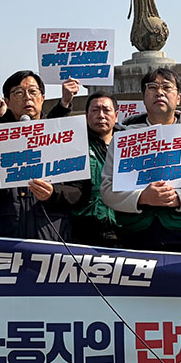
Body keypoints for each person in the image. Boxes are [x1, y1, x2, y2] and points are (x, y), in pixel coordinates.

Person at [100, 67, 181, 252]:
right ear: (144, 97)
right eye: (152, 87)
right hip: (134, 236)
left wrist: (178, 198)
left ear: (178, 97)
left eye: (167, 87)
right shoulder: (122, 140)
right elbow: (107, 189)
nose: (159, 92)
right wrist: (142, 197)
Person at [0, 70, 89, 241]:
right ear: (7, 101)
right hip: (8, 235)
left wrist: (54, 193)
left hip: (52, 234)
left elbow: (80, 192)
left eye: (33, 92)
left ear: (43, 98)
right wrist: (6, 136)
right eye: (19, 93)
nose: (27, 97)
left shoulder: (64, 137)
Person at [71, 91, 121, 247]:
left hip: (124, 229)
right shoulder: (74, 145)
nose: (101, 115)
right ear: (86, 116)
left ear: (116, 115)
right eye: (95, 110)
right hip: (85, 231)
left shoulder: (129, 144)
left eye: (106, 110)